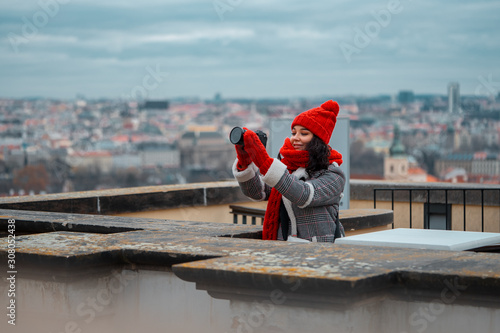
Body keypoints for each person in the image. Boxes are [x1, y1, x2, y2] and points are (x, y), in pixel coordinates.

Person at [232, 100, 345, 242]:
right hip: (284, 248)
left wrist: (264, 162)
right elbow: (257, 191)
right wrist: (245, 161)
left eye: (304, 133)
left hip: (318, 251)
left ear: (318, 140)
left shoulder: (334, 174)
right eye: (293, 132)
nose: (295, 138)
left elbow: (303, 194)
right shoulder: (290, 168)